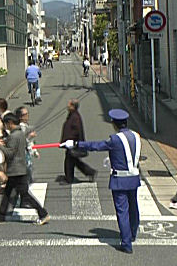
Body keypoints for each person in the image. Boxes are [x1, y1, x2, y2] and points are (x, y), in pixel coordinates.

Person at [61, 109, 141, 254]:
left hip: (120, 179)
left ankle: (127, 243)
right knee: (133, 208)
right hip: (134, 177)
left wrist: (75, 143)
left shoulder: (114, 139)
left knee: (122, 211)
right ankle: (133, 234)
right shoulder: (136, 136)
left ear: (114, 124)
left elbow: (95, 146)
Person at [0, 113, 50, 225]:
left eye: (6, 125)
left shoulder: (13, 136)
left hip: (16, 171)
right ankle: (0, 216)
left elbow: (10, 153)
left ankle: (43, 213)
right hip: (20, 168)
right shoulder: (20, 133)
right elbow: (18, 145)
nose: (5, 127)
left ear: (10, 123)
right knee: (7, 193)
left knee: (24, 195)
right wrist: (5, 142)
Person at [60, 99, 97, 183]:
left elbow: (76, 131)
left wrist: (70, 141)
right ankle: (90, 172)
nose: (67, 106)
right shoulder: (72, 115)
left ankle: (69, 178)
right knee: (74, 161)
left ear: (73, 106)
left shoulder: (75, 117)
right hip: (71, 143)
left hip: (73, 143)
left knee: (69, 161)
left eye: (69, 105)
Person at [15, 106, 39, 185]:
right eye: (25, 114)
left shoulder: (25, 126)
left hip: (27, 152)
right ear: (20, 117)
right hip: (22, 152)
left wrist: (34, 151)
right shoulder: (20, 127)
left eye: (27, 113)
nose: (27, 115)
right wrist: (30, 137)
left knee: (28, 168)